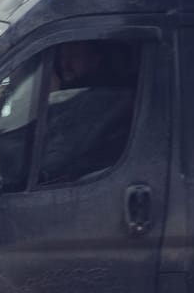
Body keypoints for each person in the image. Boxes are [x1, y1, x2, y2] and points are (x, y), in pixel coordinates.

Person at [36, 41, 136, 186]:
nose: (65, 64)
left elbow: (57, 159)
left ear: (96, 59)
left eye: (74, 56)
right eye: (62, 57)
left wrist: (51, 97)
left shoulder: (103, 99)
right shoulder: (69, 94)